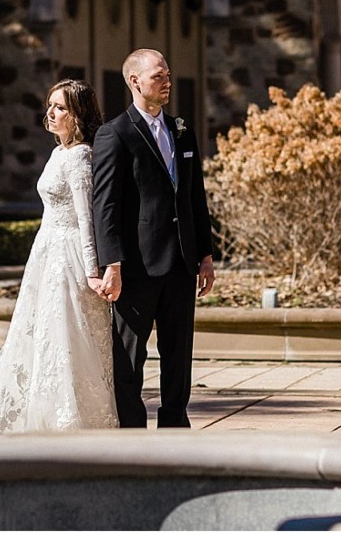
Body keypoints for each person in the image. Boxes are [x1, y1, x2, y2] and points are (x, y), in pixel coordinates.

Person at [0, 79, 118, 431]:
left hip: (69, 257)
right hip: (46, 252)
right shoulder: (59, 153)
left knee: (69, 336)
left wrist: (91, 270)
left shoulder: (81, 157)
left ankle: (71, 416)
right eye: (50, 105)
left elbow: (88, 219)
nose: (51, 113)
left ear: (78, 116)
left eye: (60, 108)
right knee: (41, 335)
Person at [92, 48, 215, 428]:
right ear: (135, 81)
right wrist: (111, 264)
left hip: (181, 263)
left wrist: (205, 256)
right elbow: (106, 206)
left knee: (179, 354)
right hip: (137, 266)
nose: (167, 81)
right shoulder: (114, 134)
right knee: (129, 358)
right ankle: (132, 430)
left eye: (167, 75)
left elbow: (196, 197)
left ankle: (175, 425)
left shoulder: (183, 130)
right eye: (158, 75)